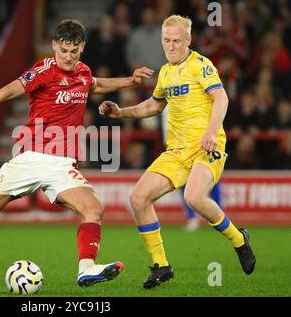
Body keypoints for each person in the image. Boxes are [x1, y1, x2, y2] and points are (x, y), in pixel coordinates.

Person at [0, 19, 154, 287]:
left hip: (62, 165)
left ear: (81, 47)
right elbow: (7, 91)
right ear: (54, 46)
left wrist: (131, 80)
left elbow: (96, 85)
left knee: (93, 209)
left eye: (73, 51)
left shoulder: (83, 72)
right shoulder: (42, 71)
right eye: (63, 51)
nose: (68, 57)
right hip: (32, 157)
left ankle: (86, 268)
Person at [99, 15, 256, 289]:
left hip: (207, 147)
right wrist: (121, 112)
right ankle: (161, 266)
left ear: (188, 40)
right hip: (177, 151)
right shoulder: (166, 73)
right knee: (138, 198)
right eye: (166, 40)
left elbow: (221, 98)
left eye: (176, 41)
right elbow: (153, 106)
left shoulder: (201, 66)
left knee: (194, 197)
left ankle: (238, 239)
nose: (170, 46)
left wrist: (210, 132)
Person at [161, 105, 224, 232]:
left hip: (200, 142)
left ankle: (219, 214)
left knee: (210, 177)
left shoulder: (194, 95)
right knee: (183, 181)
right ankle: (192, 217)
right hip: (177, 146)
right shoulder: (167, 100)